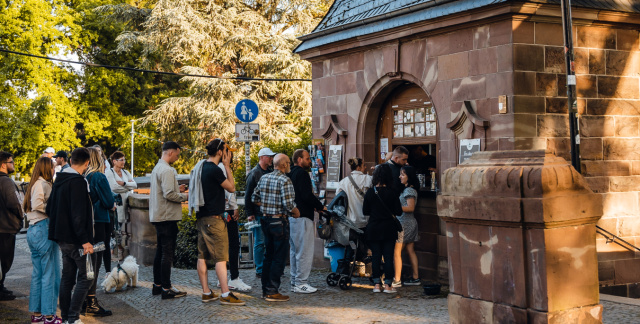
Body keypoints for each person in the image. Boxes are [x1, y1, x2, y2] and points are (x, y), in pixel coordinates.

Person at [194, 139, 245, 305]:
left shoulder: (200, 167)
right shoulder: (215, 170)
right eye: (226, 151)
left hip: (201, 218)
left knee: (202, 256)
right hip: (214, 220)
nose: (228, 154)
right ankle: (225, 294)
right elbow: (231, 188)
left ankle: (206, 292)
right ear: (220, 152)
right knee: (220, 258)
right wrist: (228, 166)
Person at [47, 147, 94, 324]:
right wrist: (85, 241)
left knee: (67, 278)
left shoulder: (60, 179)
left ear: (71, 160)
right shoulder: (78, 182)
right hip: (77, 240)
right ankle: (73, 318)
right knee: (87, 276)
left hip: (62, 237)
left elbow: (49, 208)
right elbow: (78, 215)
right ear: (87, 163)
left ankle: (66, 317)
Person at [252, 153, 300, 302]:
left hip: (266, 221)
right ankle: (272, 291)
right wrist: (297, 212)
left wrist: (267, 206)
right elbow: (288, 204)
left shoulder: (264, 178)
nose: (290, 166)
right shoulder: (285, 180)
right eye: (288, 164)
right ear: (284, 164)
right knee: (279, 257)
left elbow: (254, 198)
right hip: (279, 222)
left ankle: (265, 290)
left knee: (268, 256)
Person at [24, 157, 62, 323]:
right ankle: (48, 315)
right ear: (47, 168)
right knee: (49, 274)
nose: (54, 170)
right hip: (43, 227)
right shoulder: (42, 184)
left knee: (38, 274)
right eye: (53, 167)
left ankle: (37, 313)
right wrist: (55, 210)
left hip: (34, 228)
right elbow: (38, 204)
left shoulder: (34, 184)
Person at [149, 141, 188, 299]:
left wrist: (176, 189)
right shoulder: (167, 170)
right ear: (170, 153)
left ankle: (157, 285)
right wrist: (184, 196)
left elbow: (163, 191)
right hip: (167, 217)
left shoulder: (157, 168)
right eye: (177, 155)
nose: (178, 158)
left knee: (160, 252)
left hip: (159, 215)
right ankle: (166, 288)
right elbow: (169, 195)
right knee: (167, 253)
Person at [287, 149, 325, 294]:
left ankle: (294, 281)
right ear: (299, 159)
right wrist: (320, 206)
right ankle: (301, 282)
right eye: (308, 158)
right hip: (302, 216)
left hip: (293, 216)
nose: (310, 161)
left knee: (295, 250)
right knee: (304, 251)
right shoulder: (301, 174)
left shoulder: (290, 174)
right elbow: (306, 195)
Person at [84, 148, 115, 317]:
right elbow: (109, 201)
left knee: (88, 262)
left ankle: (84, 299)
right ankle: (91, 300)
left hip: (89, 222)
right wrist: (112, 203)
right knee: (95, 262)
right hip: (100, 222)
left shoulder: (86, 176)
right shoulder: (99, 177)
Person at [363, 164, 402, 294]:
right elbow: (399, 211)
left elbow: (365, 211)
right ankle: (388, 285)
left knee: (376, 256)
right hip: (388, 228)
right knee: (388, 256)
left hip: (373, 228)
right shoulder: (392, 192)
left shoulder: (370, 192)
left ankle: (376, 285)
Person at [218, 152, 251, 292]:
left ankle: (223, 278)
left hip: (221, 210)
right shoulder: (222, 168)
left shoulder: (213, 166)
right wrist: (234, 207)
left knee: (224, 245)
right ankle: (234, 278)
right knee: (233, 244)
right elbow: (229, 190)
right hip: (227, 211)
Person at [245, 147, 276, 278]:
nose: (271, 159)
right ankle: (260, 269)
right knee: (260, 241)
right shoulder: (254, 173)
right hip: (258, 213)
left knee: (268, 241)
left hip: (268, 212)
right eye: (269, 156)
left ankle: (266, 267)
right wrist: (249, 213)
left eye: (271, 157)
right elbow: (248, 195)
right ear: (262, 157)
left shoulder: (269, 171)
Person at [392, 165, 421, 288]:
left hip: (405, 224)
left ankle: (397, 280)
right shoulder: (408, 189)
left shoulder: (409, 191)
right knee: (410, 250)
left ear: (409, 177)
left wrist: (395, 209)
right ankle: (415, 277)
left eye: (403, 174)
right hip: (408, 223)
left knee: (397, 251)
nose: (400, 176)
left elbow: (411, 208)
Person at [105, 151, 137, 262]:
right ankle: (114, 252)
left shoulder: (125, 172)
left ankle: (120, 252)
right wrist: (128, 187)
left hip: (125, 205)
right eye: (121, 160)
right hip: (115, 206)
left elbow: (135, 184)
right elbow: (113, 187)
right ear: (114, 161)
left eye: (124, 159)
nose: (124, 162)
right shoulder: (109, 173)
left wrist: (123, 184)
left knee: (123, 230)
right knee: (115, 230)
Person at [0, 151, 23, 301]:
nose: (13, 164)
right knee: (5, 260)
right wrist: (21, 216)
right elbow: (14, 203)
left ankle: (0, 287)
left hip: (3, 226)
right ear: (3, 164)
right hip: (6, 227)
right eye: (11, 162)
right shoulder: (6, 182)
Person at [336, 157, 372, 229]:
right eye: (364, 165)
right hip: (366, 219)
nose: (365, 167)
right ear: (358, 167)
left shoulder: (343, 182)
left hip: (350, 220)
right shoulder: (368, 179)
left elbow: (338, 197)